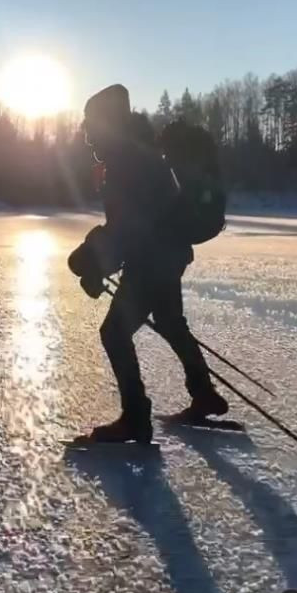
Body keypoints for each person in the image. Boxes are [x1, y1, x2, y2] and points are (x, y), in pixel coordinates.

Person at [72, 84, 228, 444]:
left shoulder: (128, 163)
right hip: (166, 256)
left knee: (113, 333)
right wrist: (99, 260)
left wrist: (94, 261)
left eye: (91, 125)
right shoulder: (135, 156)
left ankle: (135, 417)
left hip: (153, 260)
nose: (87, 135)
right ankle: (203, 393)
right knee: (171, 323)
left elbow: (129, 227)